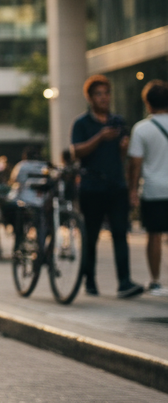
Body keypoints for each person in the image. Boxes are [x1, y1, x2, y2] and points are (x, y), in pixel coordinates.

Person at [70, 74, 142, 298]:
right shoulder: (82, 123)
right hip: (91, 187)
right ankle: (89, 280)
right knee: (90, 235)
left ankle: (124, 281)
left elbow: (123, 158)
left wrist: (123, 147)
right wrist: (100, 137)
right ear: (90, 98)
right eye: (99, 94)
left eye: (106, 93)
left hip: (116, 186)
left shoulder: (118, 122)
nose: (104, 98)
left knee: (120, 233)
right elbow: (76, 152)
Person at [127, 80, 168, 295]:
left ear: (147, 103)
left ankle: (156, 281)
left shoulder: (142, 129)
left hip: (153, 189)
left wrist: (132, 190)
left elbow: (135, 164)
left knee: (154, 235)